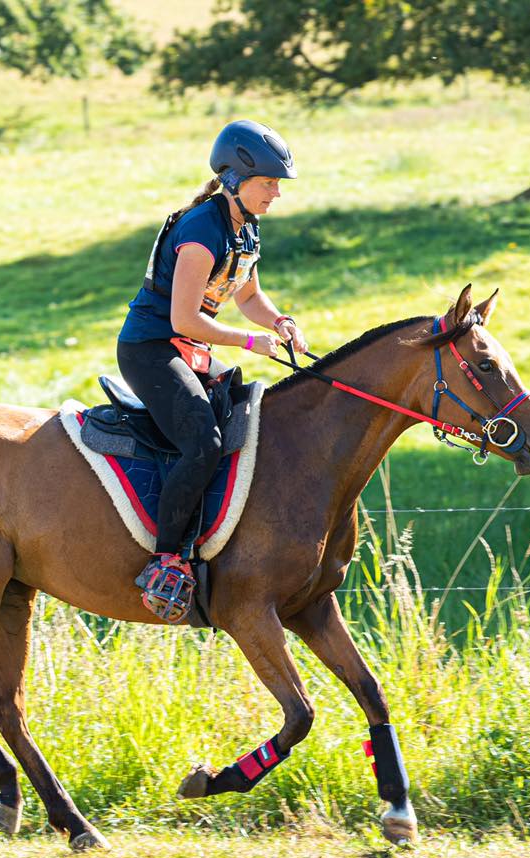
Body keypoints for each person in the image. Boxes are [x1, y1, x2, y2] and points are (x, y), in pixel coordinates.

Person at [117, 119, 309, 623]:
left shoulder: (246, 226)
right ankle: (167, 561)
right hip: (152, 349)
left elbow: (247, 295)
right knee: (200, 440)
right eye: (268, 182)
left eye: (277, 184)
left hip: (191, 348)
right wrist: (250, 341)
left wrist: (280, 322)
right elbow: (183, 318)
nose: (275, 193)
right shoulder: (202, 229)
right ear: (234, 180)